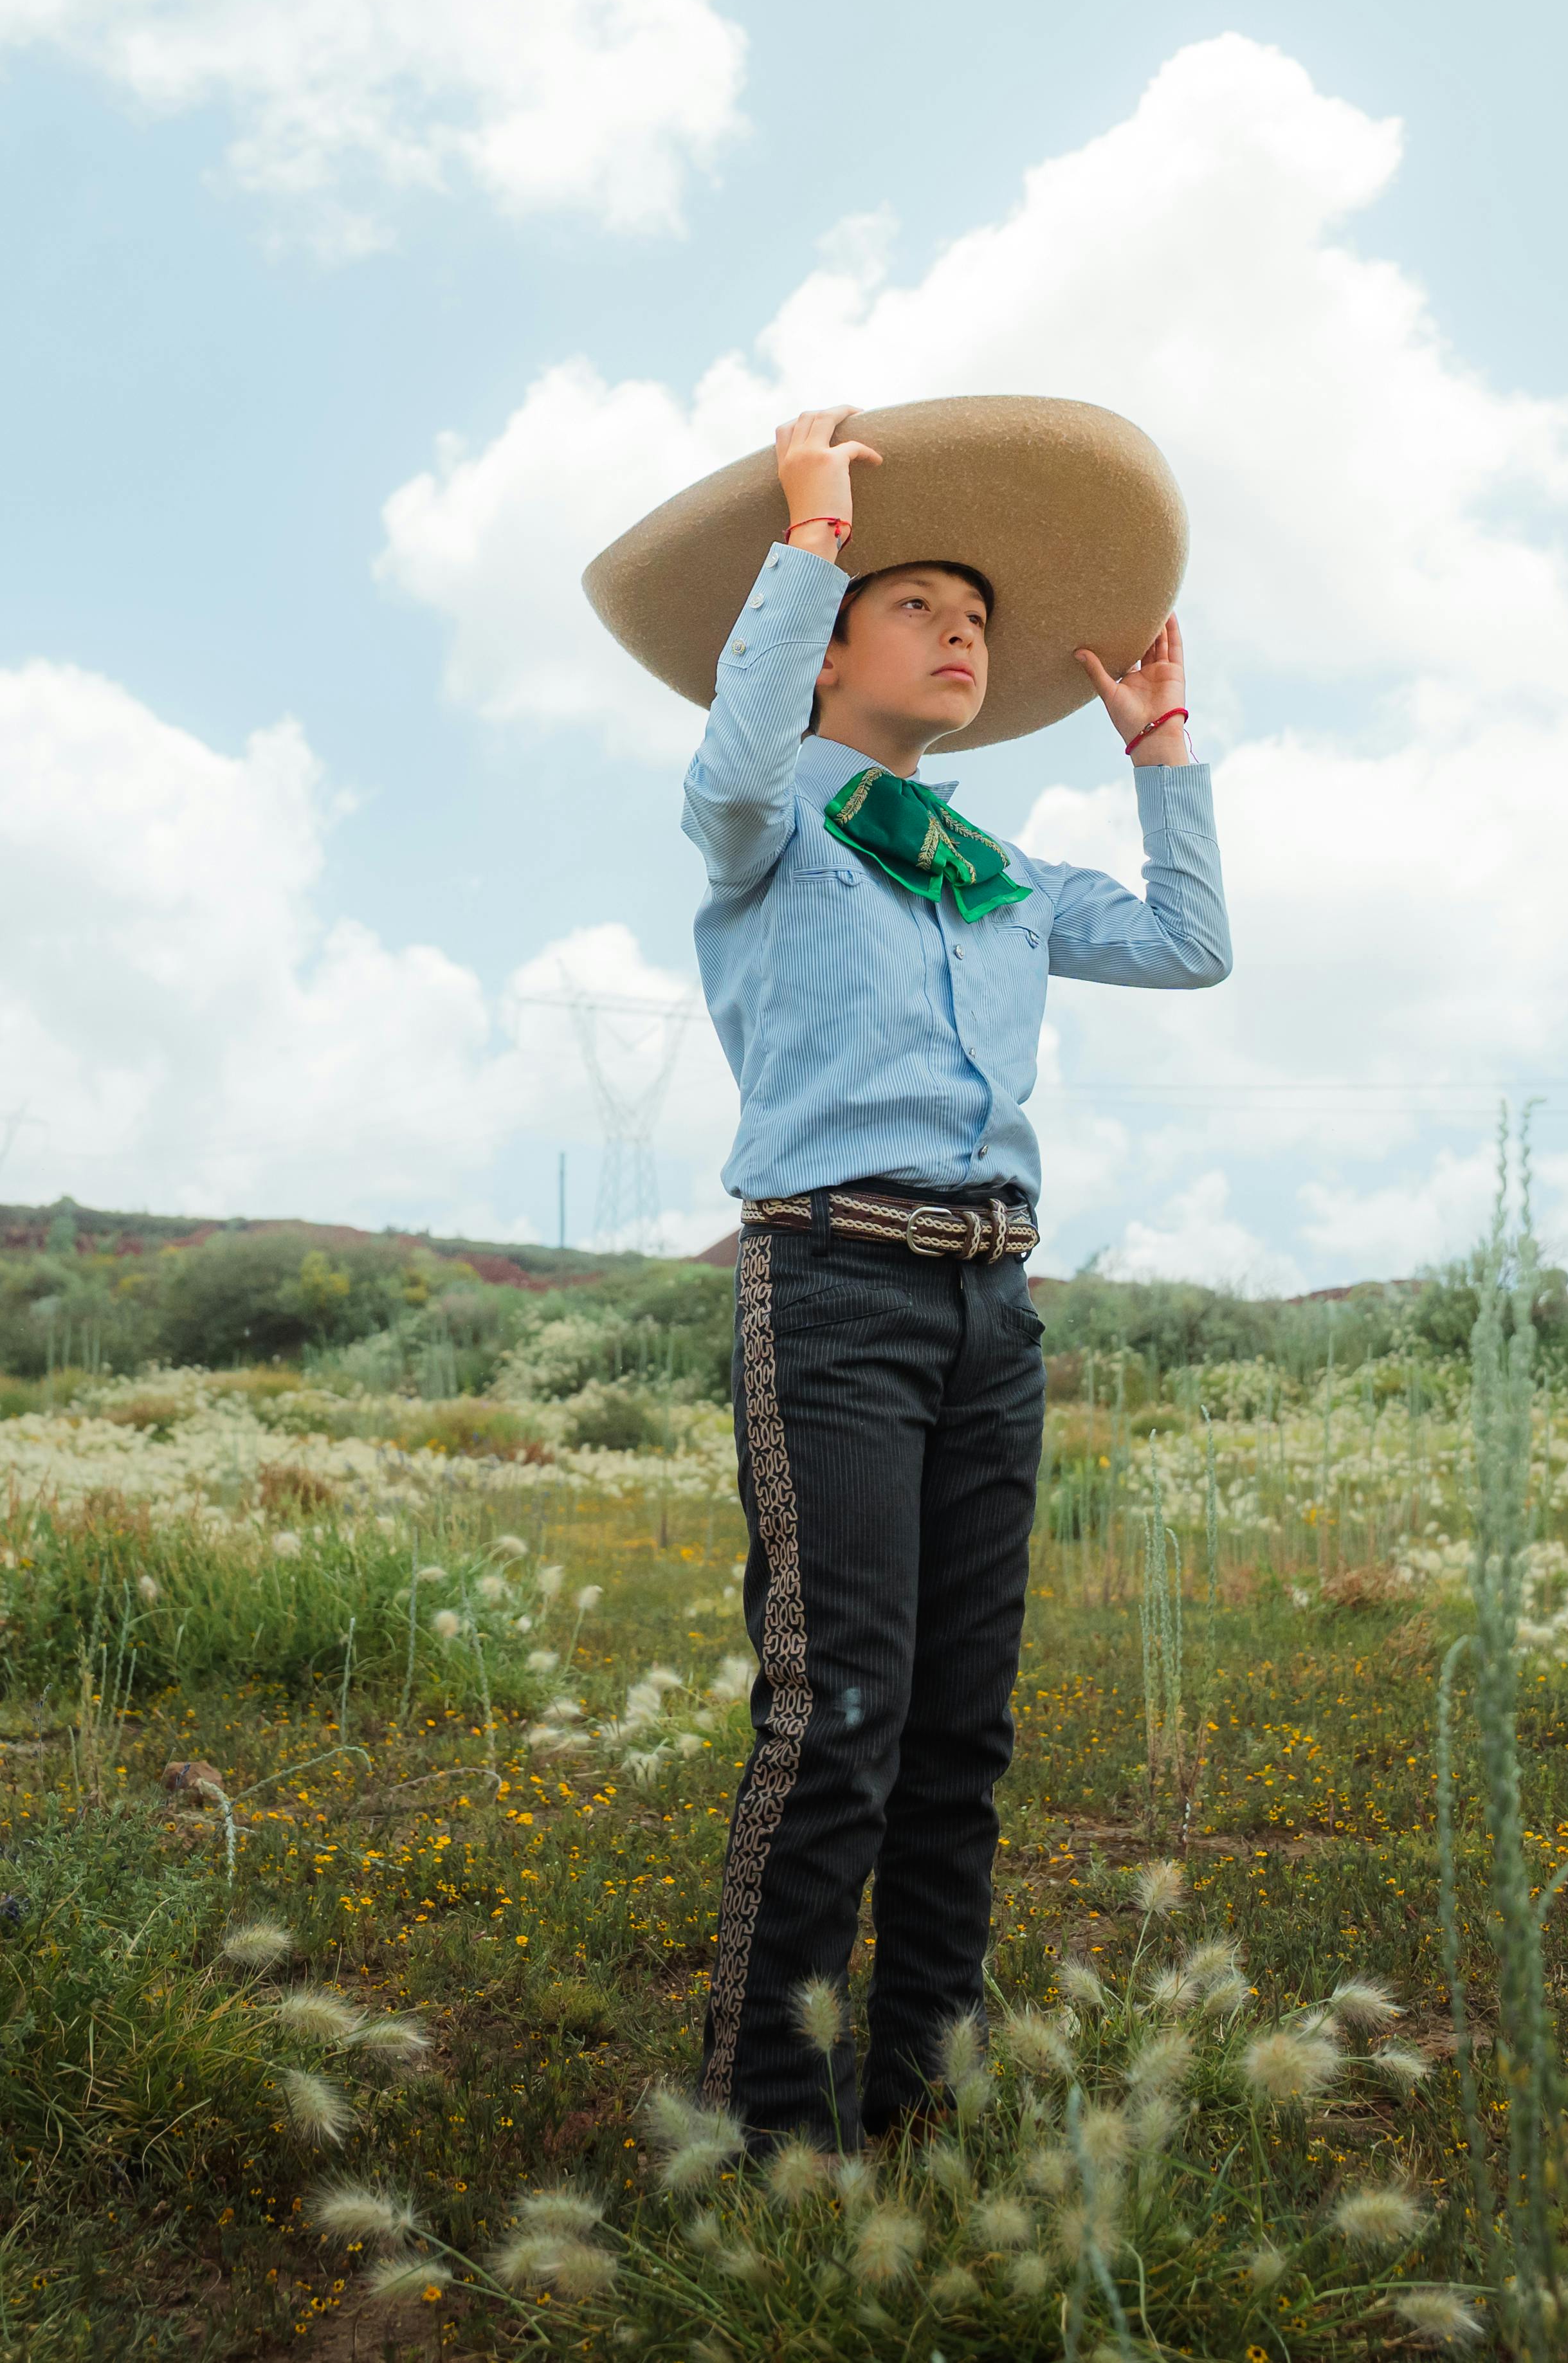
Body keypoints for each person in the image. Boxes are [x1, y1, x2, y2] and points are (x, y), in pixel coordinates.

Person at [611, 396, 1230, 2148]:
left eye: (976, 623)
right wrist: (808, 542)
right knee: (840, 1717)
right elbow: (729, 769)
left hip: (990, 1304)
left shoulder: (994, 873)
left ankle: (923, 2096)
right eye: (917, 610)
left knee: (961, 1731)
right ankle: (763, 2132)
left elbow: (1189, 945)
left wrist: (1160, 753)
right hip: (834, 1291)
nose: (960, 638)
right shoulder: (771, 820)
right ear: (820, 657)